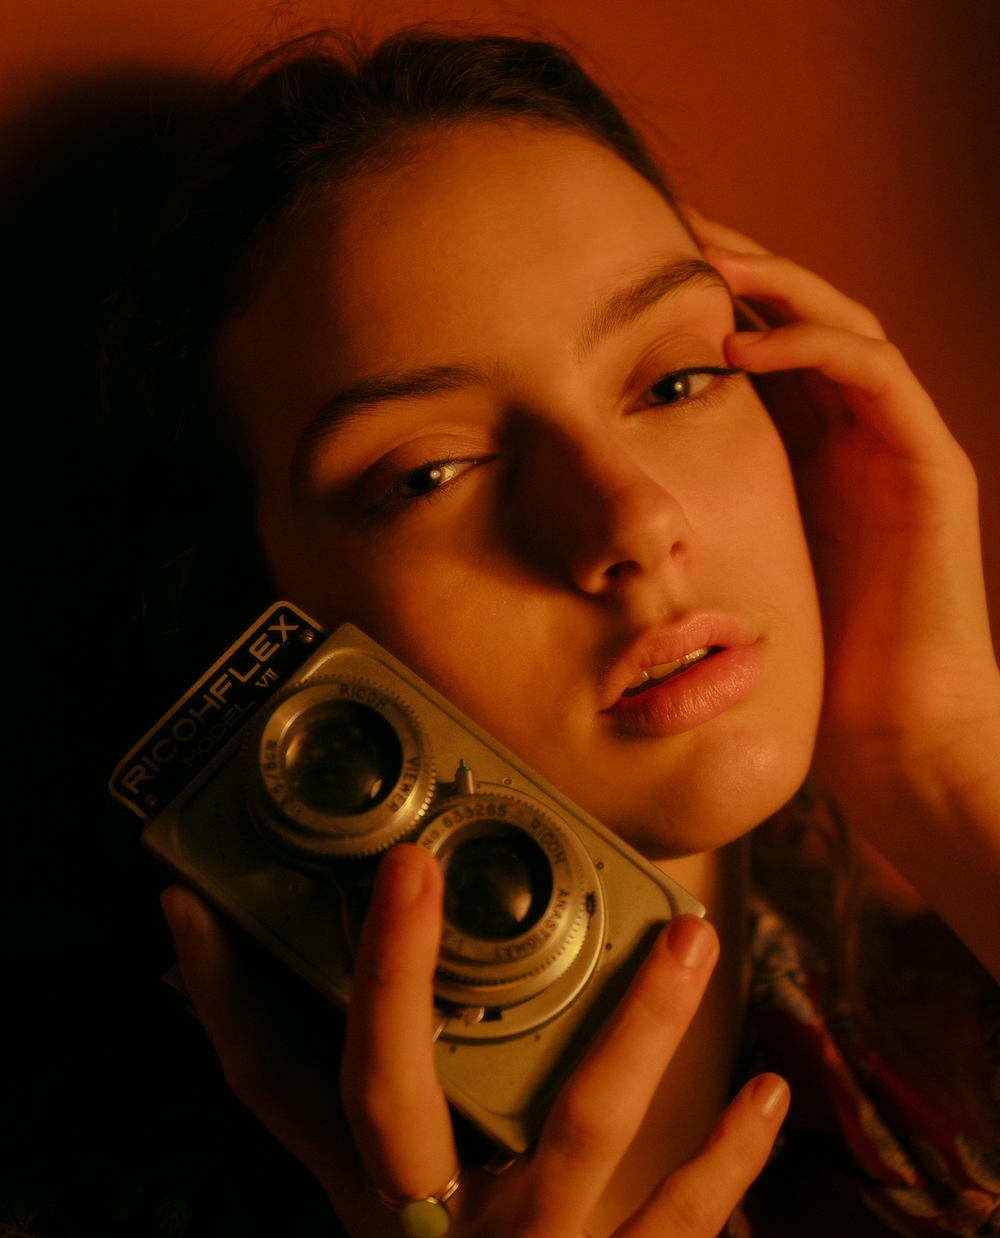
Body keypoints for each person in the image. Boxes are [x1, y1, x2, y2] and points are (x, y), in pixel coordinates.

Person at [99, 27, 1000, 1238]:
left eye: (676, 379)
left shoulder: (949, 1008)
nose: (629, 517)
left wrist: (943, 761)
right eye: (431, 472)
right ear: (262, 631)